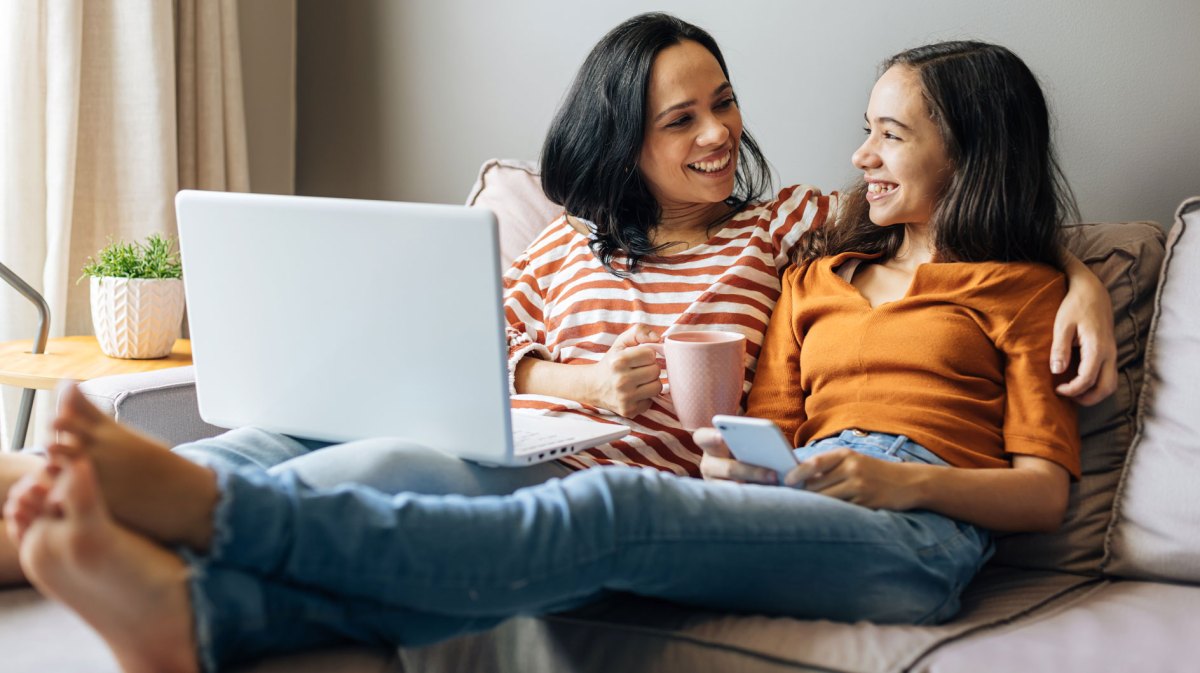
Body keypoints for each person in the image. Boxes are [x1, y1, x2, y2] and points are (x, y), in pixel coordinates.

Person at [9, 38, 1088, 673]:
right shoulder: (819, 272)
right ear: (626, 139)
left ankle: (202, 523)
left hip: (912, 524)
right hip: (735, 478)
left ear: (971, 150)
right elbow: (763, 434)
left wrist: (1075, 278)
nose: (858, 153)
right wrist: (726, 453)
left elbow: (1041, 487)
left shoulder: (945, 269)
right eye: (682, 118)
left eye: (889, 135)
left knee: (603, 511)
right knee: (293, 436)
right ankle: (122, 559)